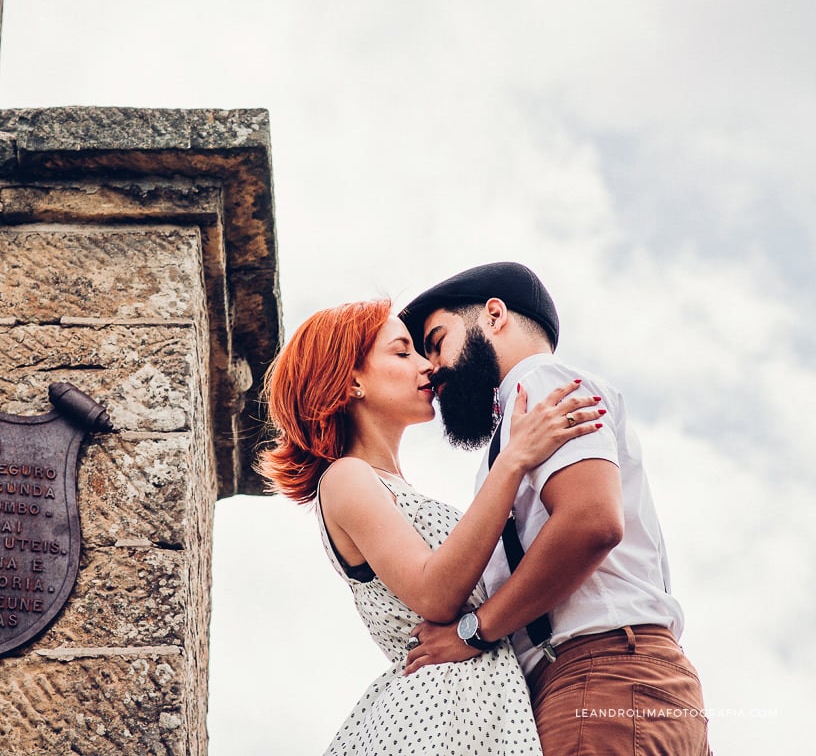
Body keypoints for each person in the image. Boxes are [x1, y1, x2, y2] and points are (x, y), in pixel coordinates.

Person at [256, 298, 604, 755]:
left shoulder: (394, 487)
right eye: (403, 352)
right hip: (436, 714)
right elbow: (434, 594)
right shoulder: (345, 478)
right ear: (352, 380)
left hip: (483, 705)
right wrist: (515, 459)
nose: (429, 366)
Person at [398, 262, 711, 756]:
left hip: (599, 671)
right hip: (613, 677)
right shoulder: (517, 426)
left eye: (437, 341)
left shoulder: (538, 382)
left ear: (495, 315)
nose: (432, 365)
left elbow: (591, 523)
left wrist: (473, 632)